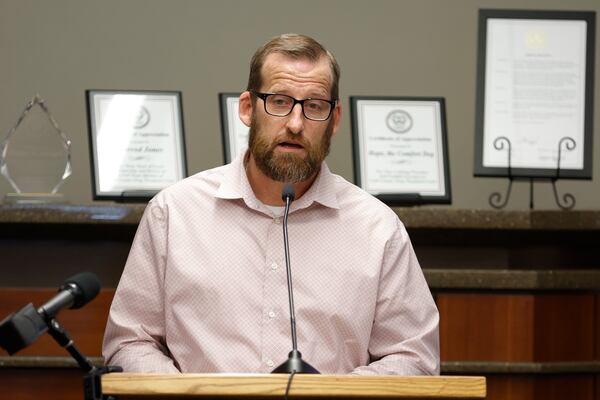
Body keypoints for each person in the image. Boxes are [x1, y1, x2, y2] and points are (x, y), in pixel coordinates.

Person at [102, 33, 439, 375]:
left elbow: (414, 358)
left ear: (334, 120)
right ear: (248, 108)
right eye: (279, 101)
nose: (295, 124)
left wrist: (331, 396)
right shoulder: (174, 213)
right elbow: (129, 343)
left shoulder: (377, 228)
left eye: (314, 106)